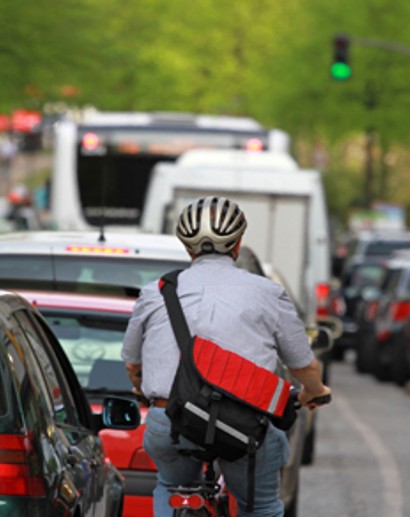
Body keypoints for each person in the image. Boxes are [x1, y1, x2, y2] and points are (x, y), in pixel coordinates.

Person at [122, 196, 332, 517]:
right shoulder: (267, 292)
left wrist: (140, 387)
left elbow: (133, 362)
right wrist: (315, 392)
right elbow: (303, 364)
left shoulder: (156, 292)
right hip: (242, 425)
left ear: (187, 247)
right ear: (238, 244)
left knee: (170, 485)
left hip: (172, 418)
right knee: (260, 506)